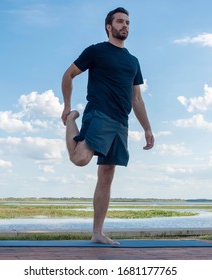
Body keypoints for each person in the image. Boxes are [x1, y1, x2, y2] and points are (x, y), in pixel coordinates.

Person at [61, 7, 154, 244]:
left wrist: (147, 128)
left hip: (121, 123)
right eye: (120, 21)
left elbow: (137, 99)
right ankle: (73, 121)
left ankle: (97, 233)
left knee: (106, 176)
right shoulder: (97, 51)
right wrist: (67, 107)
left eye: (128, 22)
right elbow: (68, 74)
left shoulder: (133, 61)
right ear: (108, 26)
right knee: (80, 159)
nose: (125, 26)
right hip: (99, 113)